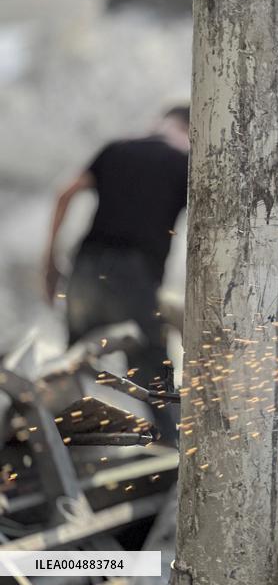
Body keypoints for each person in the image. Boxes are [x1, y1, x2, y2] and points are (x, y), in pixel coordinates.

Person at [43, 105, 190, 388]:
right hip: (134, 279)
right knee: (156, 386)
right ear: (190, 130)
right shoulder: (182, 161)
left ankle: (58, 431)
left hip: (84, 271)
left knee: (73, 376)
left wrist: (49, 264)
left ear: (158, 122)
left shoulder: (117, 148)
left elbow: (65, 194)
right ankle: (169, 433)